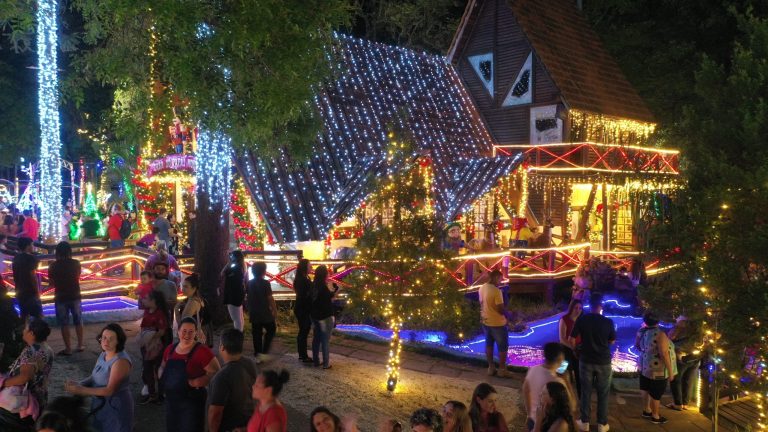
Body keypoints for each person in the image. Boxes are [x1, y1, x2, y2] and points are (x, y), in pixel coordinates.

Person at [64, 323, 134, 432]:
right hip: (100, 404)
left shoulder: (120, 361)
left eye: (111, 339)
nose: (106, 341)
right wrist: (79, 383)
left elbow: (109, 390)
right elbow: (94, 376)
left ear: (118, 341)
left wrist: (82, 390)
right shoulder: (104, 353)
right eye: (104, 337)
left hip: (115, 406)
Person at [159, 317, 220, 432]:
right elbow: (162, 365)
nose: (187, 335)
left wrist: (199, 381)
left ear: (196, 333)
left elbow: (216, 372)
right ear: (178, 331)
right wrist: (161, 375)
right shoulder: (170, 349)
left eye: (191, 331)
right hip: (172, 401)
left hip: (192, 401)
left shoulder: (202, 351)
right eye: (184, 331)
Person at [570, 293, 615, 432]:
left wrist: (575, 351)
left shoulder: (582, 319)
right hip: (603, 361)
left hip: (586, 360)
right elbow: (612, 341)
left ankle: (585, 422)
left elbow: (572, 339)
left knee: (585, 392)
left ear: (590, 305)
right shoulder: (608, 322)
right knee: (603, 393)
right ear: (601, 306)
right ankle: (602, 424)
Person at [0, 319, 54, 431]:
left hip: (25, 399)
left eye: (25, 329)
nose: (23, 331)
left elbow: (24, 378)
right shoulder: (47, 348)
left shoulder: (30, 351)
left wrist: (3, 383)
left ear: (32, 333)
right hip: (40, 396)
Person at [208, 329, 257, 432]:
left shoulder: (221, 377)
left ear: (222, 347)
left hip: (230, 428)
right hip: (248, 423)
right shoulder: (250, 364)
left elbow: (215, 413)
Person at [635, 311, 676, 424]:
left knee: (645, 388)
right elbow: (664, 353)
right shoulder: (660, 334)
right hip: (658, 369)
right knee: (656, 393)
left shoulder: (641, 331)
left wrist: (647, 352)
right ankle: (655, 416)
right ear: (658, 321)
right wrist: (671, 371)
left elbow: (637, 346)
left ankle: (646, 410)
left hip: (644, 365)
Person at [523, 343, 570, 432]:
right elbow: (572, 404)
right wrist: (567, 381)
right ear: (561, 358)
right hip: (548, 423)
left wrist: (529, 413)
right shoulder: (558, 381)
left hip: (533, 418)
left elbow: (525, 390)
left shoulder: (533, 369)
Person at [49, 242, 84, 356]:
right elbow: (78, 276)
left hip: (60, 296)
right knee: (78, 321)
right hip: (75, 295)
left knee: (64, 323)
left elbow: (51, 283)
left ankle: (68, 348)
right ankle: (80, 345)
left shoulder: (53, 266)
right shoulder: (76, 263)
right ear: (69, 251)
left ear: (57, 252)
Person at [138, 290, 169, 404]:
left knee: (158, 369)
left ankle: (161, 395)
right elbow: (143, 326)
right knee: (147, 370)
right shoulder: (147, 311)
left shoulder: (160, 314)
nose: (143, 300)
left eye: (145, 298)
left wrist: (150, 337)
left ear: (153, 301)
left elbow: (162, 331)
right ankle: (151, 394)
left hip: (156, 347)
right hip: (146, 345)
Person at [478, 269, 510, 378]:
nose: (501, 281)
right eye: (500, 279)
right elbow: (500, 309)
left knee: (489, 344)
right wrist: (509, 315)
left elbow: (481, 304)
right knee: (503, 346)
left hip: (485, 321)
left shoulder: (482, 288)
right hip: (497, 323)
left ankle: (491, 368)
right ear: (496, 278)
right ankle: (502, 369)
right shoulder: (497, 291)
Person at [667, 316, 701, 411]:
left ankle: (678, 403)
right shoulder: (697, 330)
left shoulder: (679, 329)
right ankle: (685, 403)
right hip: (695, 357)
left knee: (676, 380)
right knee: (688, 380)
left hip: (681, 357)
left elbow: (670, 338)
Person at [247, 262, 277, 362]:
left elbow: (247, 296)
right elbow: (270, 298)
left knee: (256, 333)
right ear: (263, 271)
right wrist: (274, 310)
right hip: (264, 312)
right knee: (271, 329)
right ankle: (264, 352)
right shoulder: (265, 283)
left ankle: (257, 355)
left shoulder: (249, 283)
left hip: (254, 311)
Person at [311, 265, 338, 369]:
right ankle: (326, 364)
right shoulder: (323, 287)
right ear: (324, 275)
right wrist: (336, 291)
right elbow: (329, 299)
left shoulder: (314, 285)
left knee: (316, 339)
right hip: (325, 316)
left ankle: (316, 361)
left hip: (315, 316)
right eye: (327, 273)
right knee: (325, 340)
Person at [12, 237, 42, 320]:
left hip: (20, 291)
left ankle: (24, 332)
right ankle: (36, 333)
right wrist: (37, 292)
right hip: (31, 292)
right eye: (32, 244)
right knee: (38, 317)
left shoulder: (16, 258)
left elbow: (15, 276)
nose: (33, 246)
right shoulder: (32, 258)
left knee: (24, 316)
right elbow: (32, 276)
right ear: (27, 246)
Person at [558, 300, 583, 395]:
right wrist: (573, 348)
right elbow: (562, 338)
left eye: (580, 308)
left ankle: (581, 397)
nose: (578, 310)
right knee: (562, 371)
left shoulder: (582, 320)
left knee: (579, 375)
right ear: (571, 308)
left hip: (578, 351)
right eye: (576, 308)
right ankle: (560, 394)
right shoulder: (564, 319)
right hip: (566, 350)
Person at [0, 274, 22, 372]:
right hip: (5, 325)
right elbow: (12, 313)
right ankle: (6, 363)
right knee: (8, 341)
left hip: (5, 323)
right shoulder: (5, 297)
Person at [293, 259, 313, 363]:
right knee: (303, 331)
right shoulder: (303, 280)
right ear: (305, 267)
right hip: (303, 309)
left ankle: (302, 354)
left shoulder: (303, 278)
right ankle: (303, 355)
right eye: (310, 266)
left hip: (302, 308)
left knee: (303, 331)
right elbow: (304, 296)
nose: (311, 268)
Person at [222, 250, 246, 331]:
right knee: (240, 317)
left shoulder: (235, 268)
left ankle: (238, 337)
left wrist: (229, 262)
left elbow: (222, 273)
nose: (230, 257)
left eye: (232, 256)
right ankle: (240, 335)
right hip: (239, 293)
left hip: (232, 295)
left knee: (236, 319)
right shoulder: (242, 266)